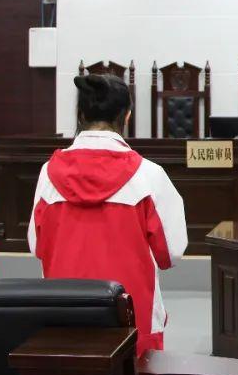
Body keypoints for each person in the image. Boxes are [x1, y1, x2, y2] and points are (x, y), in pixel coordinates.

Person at [29, 73, 188, 357]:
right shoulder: (148, 175)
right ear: (126, 116)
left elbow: (36, 246)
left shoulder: (47, 175)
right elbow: (171, 253)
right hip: (131, 322)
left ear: (80, 115)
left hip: (63, 321)